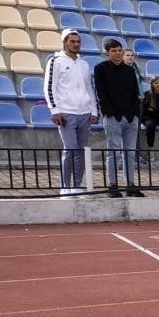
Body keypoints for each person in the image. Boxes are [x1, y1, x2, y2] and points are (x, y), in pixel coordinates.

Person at [43, 28, 99, 198]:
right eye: (72, 41)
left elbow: (89, 89)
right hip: (65, 113)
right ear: (64, 42)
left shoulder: (84, 64)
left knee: (80, 150)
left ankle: (77, 185)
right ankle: (65, 186)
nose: (75, 44)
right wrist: (54, 110)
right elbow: (49, 87)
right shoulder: (55, 61)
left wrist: (93, 110)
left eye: (78, 41)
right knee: (70, 149)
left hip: (84, 113)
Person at [92, 37, 144, 198]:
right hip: (113, 116)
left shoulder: (129, 70)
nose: (117, 53)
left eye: (119, 50)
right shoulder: (100, 68)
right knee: (113, 152)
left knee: (129, 152)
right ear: (107, 52)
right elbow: (101, 93)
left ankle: (130, 184)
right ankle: (113, 185)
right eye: (113, 50)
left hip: (130, 117)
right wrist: (109, 113)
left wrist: (134, 114)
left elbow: (135, 93)